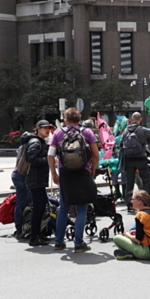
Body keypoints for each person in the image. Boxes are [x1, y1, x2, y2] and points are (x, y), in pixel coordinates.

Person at [48, 108, 100, 253]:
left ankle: (59, 242)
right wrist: (93, 169)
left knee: (63, 208)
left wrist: (54, 173)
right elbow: (95, 154)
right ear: (79, 118)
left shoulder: (58, 133)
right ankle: (78, 243)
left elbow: (50, 155)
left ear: (65, 119)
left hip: (65, 174)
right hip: (83, 172)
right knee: (82, 208)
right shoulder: (87, 132)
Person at [24, 120, 54, 247]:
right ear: (37, 129)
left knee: (41, 208)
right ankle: (33, 237)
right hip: (34, 180)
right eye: (44, 128)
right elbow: (31, 159)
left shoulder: (40, 141)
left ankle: (38, 235)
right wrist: (48, 160)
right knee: (38, 209)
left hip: (38, 180)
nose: (47, 130)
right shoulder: (35, 142)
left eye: (48, 128)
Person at [113, 191, 150, 261]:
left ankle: (130, 254)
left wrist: (127, 234)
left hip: (146, 252)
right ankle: (128, 253)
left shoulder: (140, 215)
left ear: (140, 201)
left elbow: (138, 238)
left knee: (117, 238)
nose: (131, 201)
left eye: (133, 199)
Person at [120, 112, 150, 205]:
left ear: (132, 119)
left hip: (129, 159)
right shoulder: (142, 129)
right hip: (141, 158)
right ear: (140, 119)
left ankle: (129, 203)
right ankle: (146, 201)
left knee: (130, 182)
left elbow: (121, 144)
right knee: (145, 180)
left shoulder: (126, 130)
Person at [11, 130, 34, 240]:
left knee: (25, 202)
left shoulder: (21, 147)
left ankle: (23, 227)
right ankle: (20, 228)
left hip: (17, 176)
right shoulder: (28, 148)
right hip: (22, 177)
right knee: (23, 203)